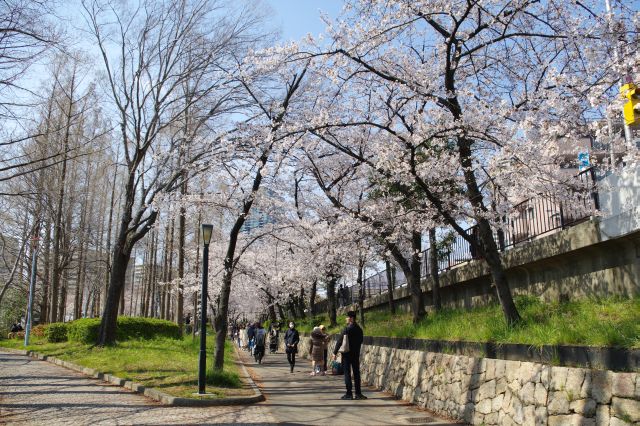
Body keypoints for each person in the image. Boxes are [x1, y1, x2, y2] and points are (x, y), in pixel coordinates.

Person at [333, 310, 366, 400]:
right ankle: (358, 394)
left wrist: (334, 352)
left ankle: (349, 394)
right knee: (356, 373)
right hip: (355, 354)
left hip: (347, 355)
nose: (346, 319)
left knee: (347, 374)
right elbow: (361, 340)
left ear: (351, 318)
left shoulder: (346, 329)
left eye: (347, 317)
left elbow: (340, 341)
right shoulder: (359, 329)